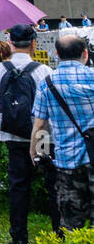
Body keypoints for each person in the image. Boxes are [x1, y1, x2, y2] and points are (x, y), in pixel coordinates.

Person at [0, 25, 60, 244]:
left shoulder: (0, 70)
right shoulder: (44, 71)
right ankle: (58, 232)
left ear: (10, 43)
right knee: (52, 184)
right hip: (40, 134)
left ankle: (19, 238)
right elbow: (50, 110)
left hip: (11, 134)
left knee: (18, 185)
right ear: (33, 43)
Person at [31, 34, 94, 230]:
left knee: (71, 221)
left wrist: (34, 151)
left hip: (67, 160)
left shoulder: (47, 83)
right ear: (85, 53)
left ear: (57, 54)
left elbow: (39, 124)